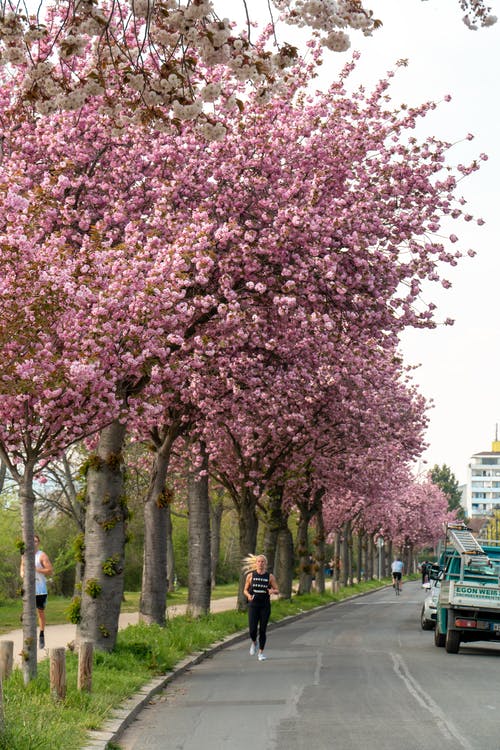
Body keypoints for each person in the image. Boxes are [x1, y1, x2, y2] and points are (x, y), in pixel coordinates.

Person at [243, 554, 279, 661]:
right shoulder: (250, 576)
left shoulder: (270, 576)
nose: (260, 563)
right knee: (252, 630)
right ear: (255, 563)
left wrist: (272, 591)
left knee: (263, 630)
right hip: (253, 606)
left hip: (265, 606)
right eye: (258, 561)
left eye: (263, 562)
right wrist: (248, 595)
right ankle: (254, 642)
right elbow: (245, 590)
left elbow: (277, 590)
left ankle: (261, 653)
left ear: (265, 564)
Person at [20, 534, 53, 649]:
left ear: (38, 543)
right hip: (29, 590)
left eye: (35, 541)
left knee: (40, 613)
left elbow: (50, 571)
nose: (33, 543)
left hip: (40, 590)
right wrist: (22, 574)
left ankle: (42, 634)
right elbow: (22, 568)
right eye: (31, 541)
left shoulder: (42, 555)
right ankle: (28, 636)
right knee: (27, 612)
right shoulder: (25, 556)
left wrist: (36, 569)